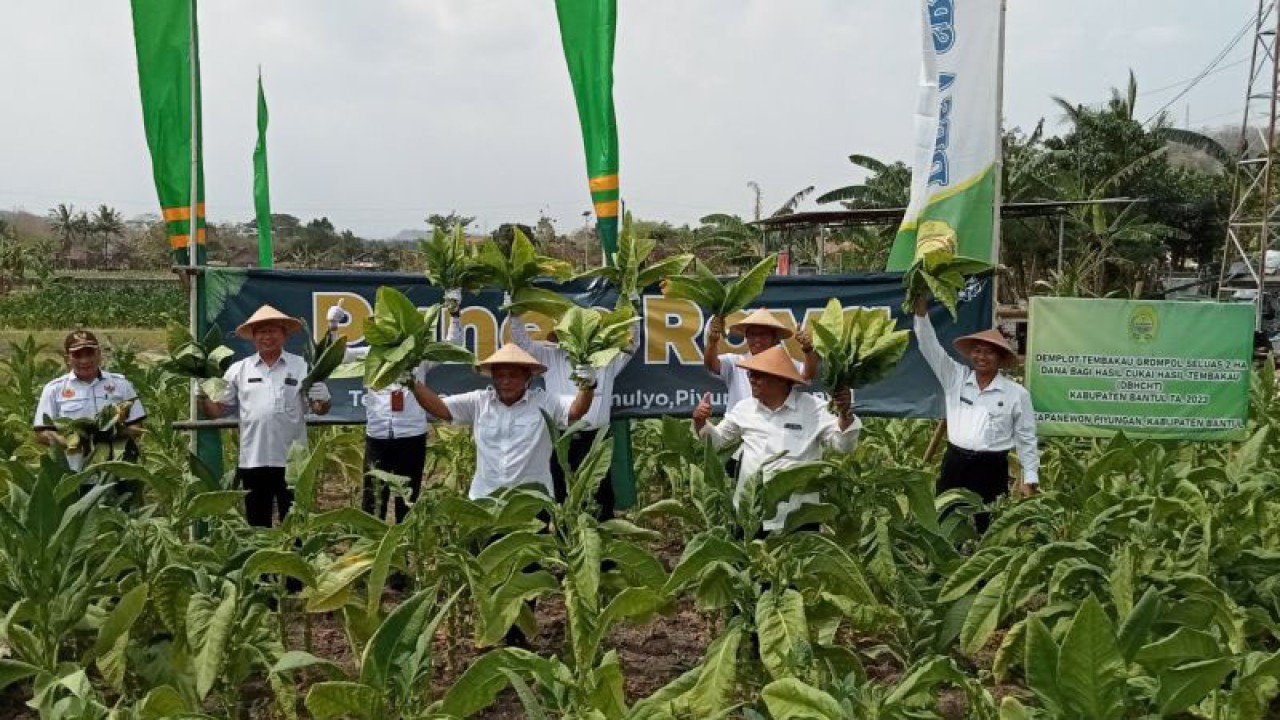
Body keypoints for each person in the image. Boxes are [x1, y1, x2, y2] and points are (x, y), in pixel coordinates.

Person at [692, 344, 859, 533]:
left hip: (798, 515)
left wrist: (845, 415)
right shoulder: (744, 408)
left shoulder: (814, 408)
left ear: (781, 380)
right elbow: (718, 442)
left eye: (758, 375)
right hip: (751, 511)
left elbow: (843, 446)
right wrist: (700, 423)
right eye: (750, 375)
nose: (751, 381)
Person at [327, 302, 464, 523]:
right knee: (373, 498)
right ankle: (372, 546)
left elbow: (452, 347)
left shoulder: (418, 357)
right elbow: (338, 355)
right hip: (378, 435)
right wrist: (333, 326)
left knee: (407, 498)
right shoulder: (370, 354)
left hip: (411, 436)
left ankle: (405, 548)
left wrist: (455, 316)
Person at [913, 295, 1039, 531]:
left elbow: (1026, 438)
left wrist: (1029, 478)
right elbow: (929, 346)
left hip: (991, 468)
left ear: (1000, 358)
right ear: (971, 355)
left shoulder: (1016, 393)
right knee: (945, 522)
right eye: (978, 351)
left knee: (987, 527)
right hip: (955, 463)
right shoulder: (955, 378)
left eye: (989, 352)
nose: (982, 357)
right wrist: (921, 311)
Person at [200, 304, 332, 527]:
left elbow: (319, 409)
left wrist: (325, 398)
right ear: (253, 337)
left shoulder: (301, 366)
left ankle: (295, 561)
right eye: (261, 332)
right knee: (257, 523)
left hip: (293, 460)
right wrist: (200, 392)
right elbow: (215, 411)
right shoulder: (239, 369)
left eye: (272, 331)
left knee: (295, 523)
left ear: (284, 335)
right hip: (253, 459)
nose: (266, 337)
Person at [410, 344, 595, 501]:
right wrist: (412, 383)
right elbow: (441, 409)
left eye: (513, 375)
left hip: (531, 502)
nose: (505, 381)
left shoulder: (545, 402)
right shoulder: (479, 402)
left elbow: (576, 411)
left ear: (528, 378)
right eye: (499, 375)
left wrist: (588, 385)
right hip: (485, 500)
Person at [509, 306, 637, 516]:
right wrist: (514, 312)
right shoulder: (551, 357)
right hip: (560, 437)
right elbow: (522, 342)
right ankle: (559, 539)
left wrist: (633, 307)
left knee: (599, 493)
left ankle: (599, 533)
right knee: (555, 490)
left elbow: (633, 344)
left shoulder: (607, 361)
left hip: (595, 438)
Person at [33, 330, 146, 474]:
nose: (84, 360)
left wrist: (113, 433)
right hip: (72, 469)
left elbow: (137, 426)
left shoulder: (121, 384)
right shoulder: (54, 389)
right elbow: (42, 432)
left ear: (99, 354)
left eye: (89, 353)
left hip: (117, 468)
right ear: (68, 358)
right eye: (77, 355)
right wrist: (71, 442)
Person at [703, 307, 818, 411]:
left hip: (773, 428)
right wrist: (712, 341)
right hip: (738, 429)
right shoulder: (736, 362)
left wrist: (808, 349)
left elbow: (807, 375)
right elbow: (711, 365)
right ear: (746, 337)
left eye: (763, 334)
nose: (757, 339)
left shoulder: (785, 364)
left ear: (774, 338)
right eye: (752, 334)